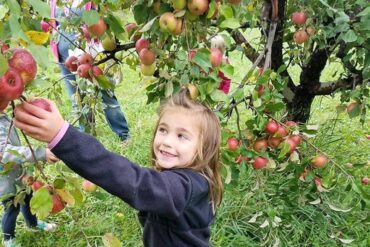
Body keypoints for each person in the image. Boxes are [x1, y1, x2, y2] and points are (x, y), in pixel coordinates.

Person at [13, 88, 223, 247]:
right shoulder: (183, 178)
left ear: (204, 148)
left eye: (181, 136)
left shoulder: (186, 187)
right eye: (163, 130)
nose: (167, 141)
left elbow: (134, 183)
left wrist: (63, 137)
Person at [50, 0, 130, 141]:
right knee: (78, 100)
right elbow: (53, 25)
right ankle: (87, 141)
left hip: (90, 54)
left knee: (106, 93)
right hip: (65, 58)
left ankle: (123, 134)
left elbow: (103, 20)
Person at [0, 102, 58, 247]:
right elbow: (4, 152)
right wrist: (40, 154)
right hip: (5, 181)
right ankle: (8, 239)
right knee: (11, 209)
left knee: (28, 197)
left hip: (19, 173)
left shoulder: (3, 116)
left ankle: (32, 223)